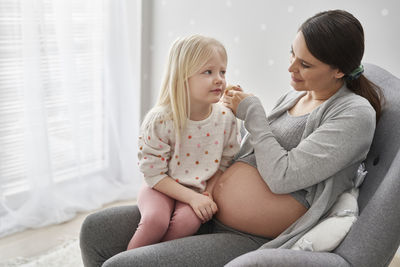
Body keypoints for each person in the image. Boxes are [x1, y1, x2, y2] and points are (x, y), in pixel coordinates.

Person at [80, 10, 384, 267]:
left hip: (249, 237)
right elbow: (252, 152)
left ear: (339, 71)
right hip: (204, 207)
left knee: (123, 265)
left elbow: (283, 176)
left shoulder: (353, 114)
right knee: (94, 230)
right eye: (293, 53)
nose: (291, 68)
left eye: (305, 64)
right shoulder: (299, 94)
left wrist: (252, 113)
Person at [125, 34, 240, 250]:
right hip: (159, 186)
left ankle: (153, 262)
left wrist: (207, 195)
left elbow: (225, 163)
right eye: (208, 72)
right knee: (154, 221)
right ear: (181, 77)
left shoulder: (226, 118)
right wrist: (192, 198)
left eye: (222, 71)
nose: (219, 79)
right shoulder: (160, 120)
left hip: (198, 188)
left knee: (189, 221)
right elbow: (153, 173)